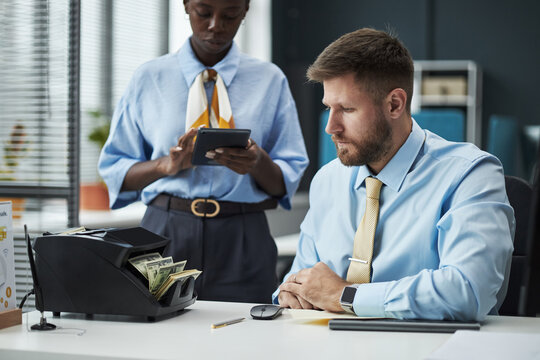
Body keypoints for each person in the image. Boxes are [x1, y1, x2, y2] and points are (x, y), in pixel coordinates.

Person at [274, 28, 514, 321]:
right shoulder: (328, 180)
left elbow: (467, 291)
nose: (331, 127)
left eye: (347, 109)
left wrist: (344, 296)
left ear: (394, 104)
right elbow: (300, 278)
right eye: (328, 109)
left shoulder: (470, 174)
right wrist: (290, 292)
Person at [98, 0, 308, 303]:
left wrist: (256, 161)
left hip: (243, 235)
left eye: (230, 14)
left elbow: (285, 182)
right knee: (160, 345)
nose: (215, 25)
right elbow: (116, 172)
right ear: (185, 5)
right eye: (204, 12)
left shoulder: (270, 80)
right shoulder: (149, 78)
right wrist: (164, 167)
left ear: (246, 9)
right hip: (165, 233)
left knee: (248, 341)